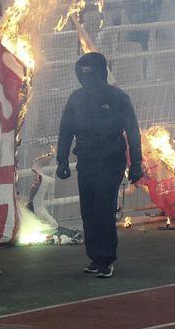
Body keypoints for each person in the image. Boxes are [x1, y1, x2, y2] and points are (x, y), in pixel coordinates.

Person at [55, 52, 143, 279]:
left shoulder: (118, 97)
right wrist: (62, 160)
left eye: (89, 71)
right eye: (83, 72)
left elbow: (133, 131)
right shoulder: (76, 98)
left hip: (111, 161)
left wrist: (136, 163)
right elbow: (66, 130)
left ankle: (106, 259)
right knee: (89, 211)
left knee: (103, 208)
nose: (86, 77)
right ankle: (95, 257)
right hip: (86, 161)